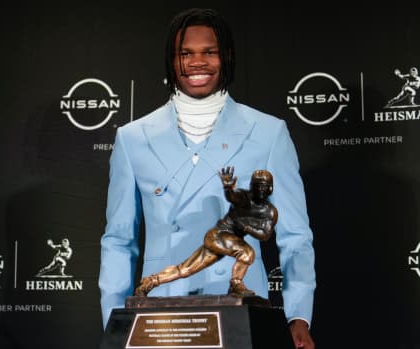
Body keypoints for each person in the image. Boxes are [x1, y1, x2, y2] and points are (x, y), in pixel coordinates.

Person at [99, 8, 316, 348]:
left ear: (226, 55)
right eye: (185, 53)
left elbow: (295, 237)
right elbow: (118, 240)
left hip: (241, 314)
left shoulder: (269, 133)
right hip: (159, 318)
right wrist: (114, 321)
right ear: (172, 60)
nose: (197, 62)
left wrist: (298, 315)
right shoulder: (132, 138)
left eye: (209, 52)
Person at [134, 166, 278, 297]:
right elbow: (233, 197)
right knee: (247, 253)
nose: (260, 189)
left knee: (185, 270)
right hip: (218, 236)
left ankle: (151, 281)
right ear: (251, 186)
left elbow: (264, 234)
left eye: (263, 186)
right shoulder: (244, 197)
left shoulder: (270, 212)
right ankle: (236, 284)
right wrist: (228, 189)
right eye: (256, 186)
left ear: (270, 189)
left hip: (226, 243)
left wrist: (245, 227)